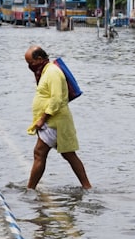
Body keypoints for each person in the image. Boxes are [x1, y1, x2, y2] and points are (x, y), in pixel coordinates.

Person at [24, 45, 91, 190]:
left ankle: (30, 189)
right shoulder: (45, 72)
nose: (29, 66)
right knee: (69, 155)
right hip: (54, 121)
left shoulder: (52, 72)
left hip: (53, 121)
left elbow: (57, 99)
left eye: (30, 63)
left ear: (40, 59)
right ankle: (87, 187)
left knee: (39, 153)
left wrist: (42, 118)